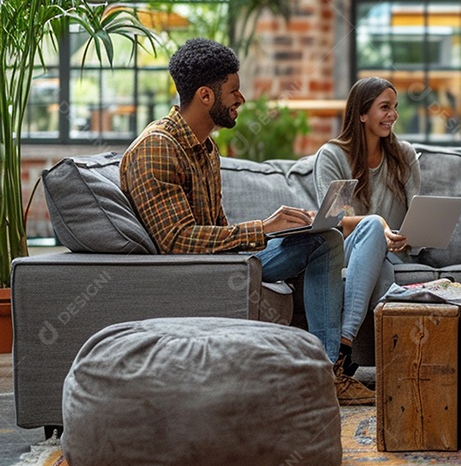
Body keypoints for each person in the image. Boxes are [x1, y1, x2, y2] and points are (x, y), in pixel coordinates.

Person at [119, 37, 370, 405]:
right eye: (234, 91)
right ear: (206, 96)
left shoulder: (206, 147)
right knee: (321, 240)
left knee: (324, 238)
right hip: (194, 270)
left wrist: (281, 230)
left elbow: (216, 227)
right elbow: (175, 240)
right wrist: (262, 229)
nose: (241, 99)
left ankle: (324, 370)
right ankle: (321, 376)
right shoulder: (158, 147)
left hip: (220, 258)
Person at [313, 77, 420, 386]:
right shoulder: (332, 156)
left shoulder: (404, 155)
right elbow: (337, 220)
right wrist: (380, 224)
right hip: (346, 252)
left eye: (395, 108)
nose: (393, 115)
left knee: (382, 265)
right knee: (372, 227)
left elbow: (417, 210)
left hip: (394, 254)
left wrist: (409, 233)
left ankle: (354, 360)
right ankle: (349, 341)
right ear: (361, 113)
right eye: (384, 107)